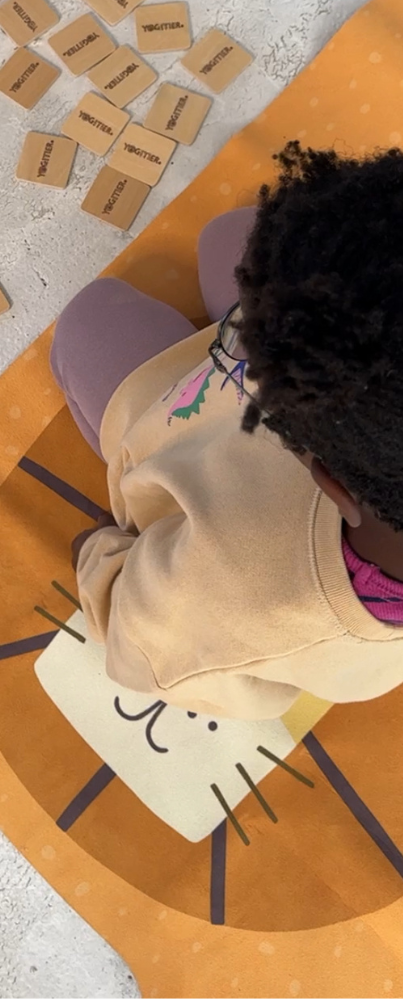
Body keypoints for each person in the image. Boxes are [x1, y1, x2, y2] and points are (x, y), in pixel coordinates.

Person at [52, 142, 403, 719]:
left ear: (330, 482)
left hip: (177, 426)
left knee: (92, 314)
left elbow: (140, 644)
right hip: (312, 385)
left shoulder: (241, 589)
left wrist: (97, 559)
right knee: (233, 236)